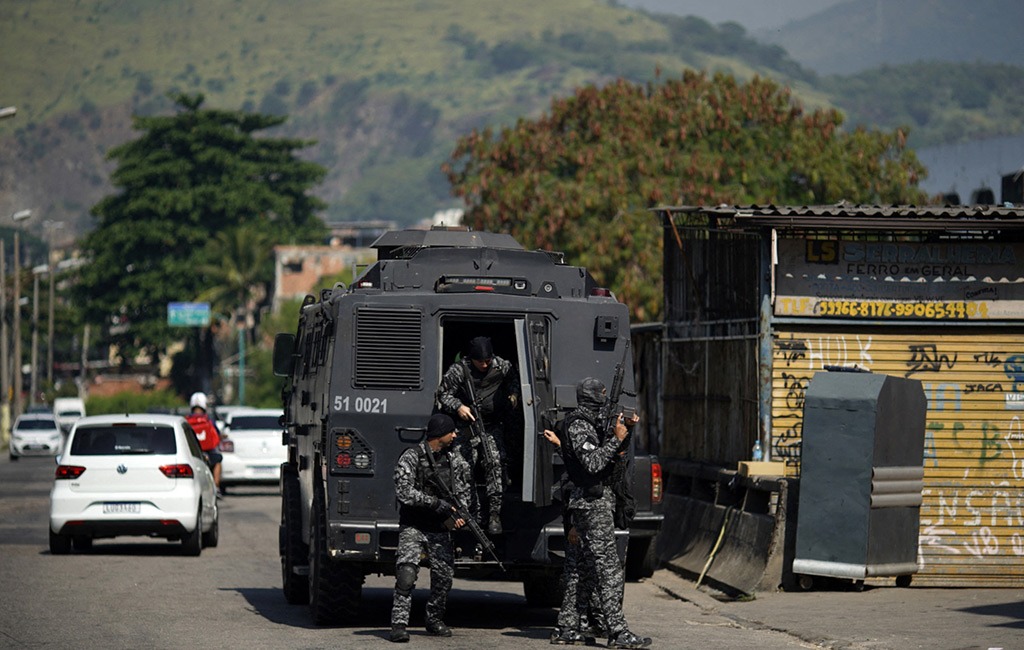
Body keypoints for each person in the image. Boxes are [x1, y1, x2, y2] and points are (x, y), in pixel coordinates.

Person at [547, 377, 652, 649]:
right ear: (594, 397)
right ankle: (617, 632)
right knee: (609, 571)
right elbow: (592, 463)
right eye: (602, 394)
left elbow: (605, 457)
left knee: (581, 569)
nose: (606, 397)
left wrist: (622, 434)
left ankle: (568, 627)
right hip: (592, 504)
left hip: (587, 503)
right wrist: (616, 438)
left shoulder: (585, 422)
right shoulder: (580, 424)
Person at [389, 413, 472, 643]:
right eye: (452, 431)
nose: (455, 435)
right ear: (440, 434)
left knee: (444, 577)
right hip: (413, 526)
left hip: (439, 529)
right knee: (406, 575)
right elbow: (404, 492)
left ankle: (434, 620)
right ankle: (399, 624)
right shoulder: (411, 457)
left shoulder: (455, 460)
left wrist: (458, 517)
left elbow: (463, 494)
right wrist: (435, 503)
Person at [435, 335, 519, 535]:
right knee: (463, 467)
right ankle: (467, 512)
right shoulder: (459, 370)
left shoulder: (502, 366)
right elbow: (443, 394)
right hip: (466, 426)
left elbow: (515, 382)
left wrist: (513, 396)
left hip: (491, 425)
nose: (484, 364)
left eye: (487, 360)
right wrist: (458, 407)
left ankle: (495, 514)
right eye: (479, 361)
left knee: (495, 463)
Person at [186, 391, 223, 496]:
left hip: (192, 452)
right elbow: (216, 434)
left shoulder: (186, 420)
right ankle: (216, 486)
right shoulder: (208, 419)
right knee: (218, 460)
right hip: (208, 450)